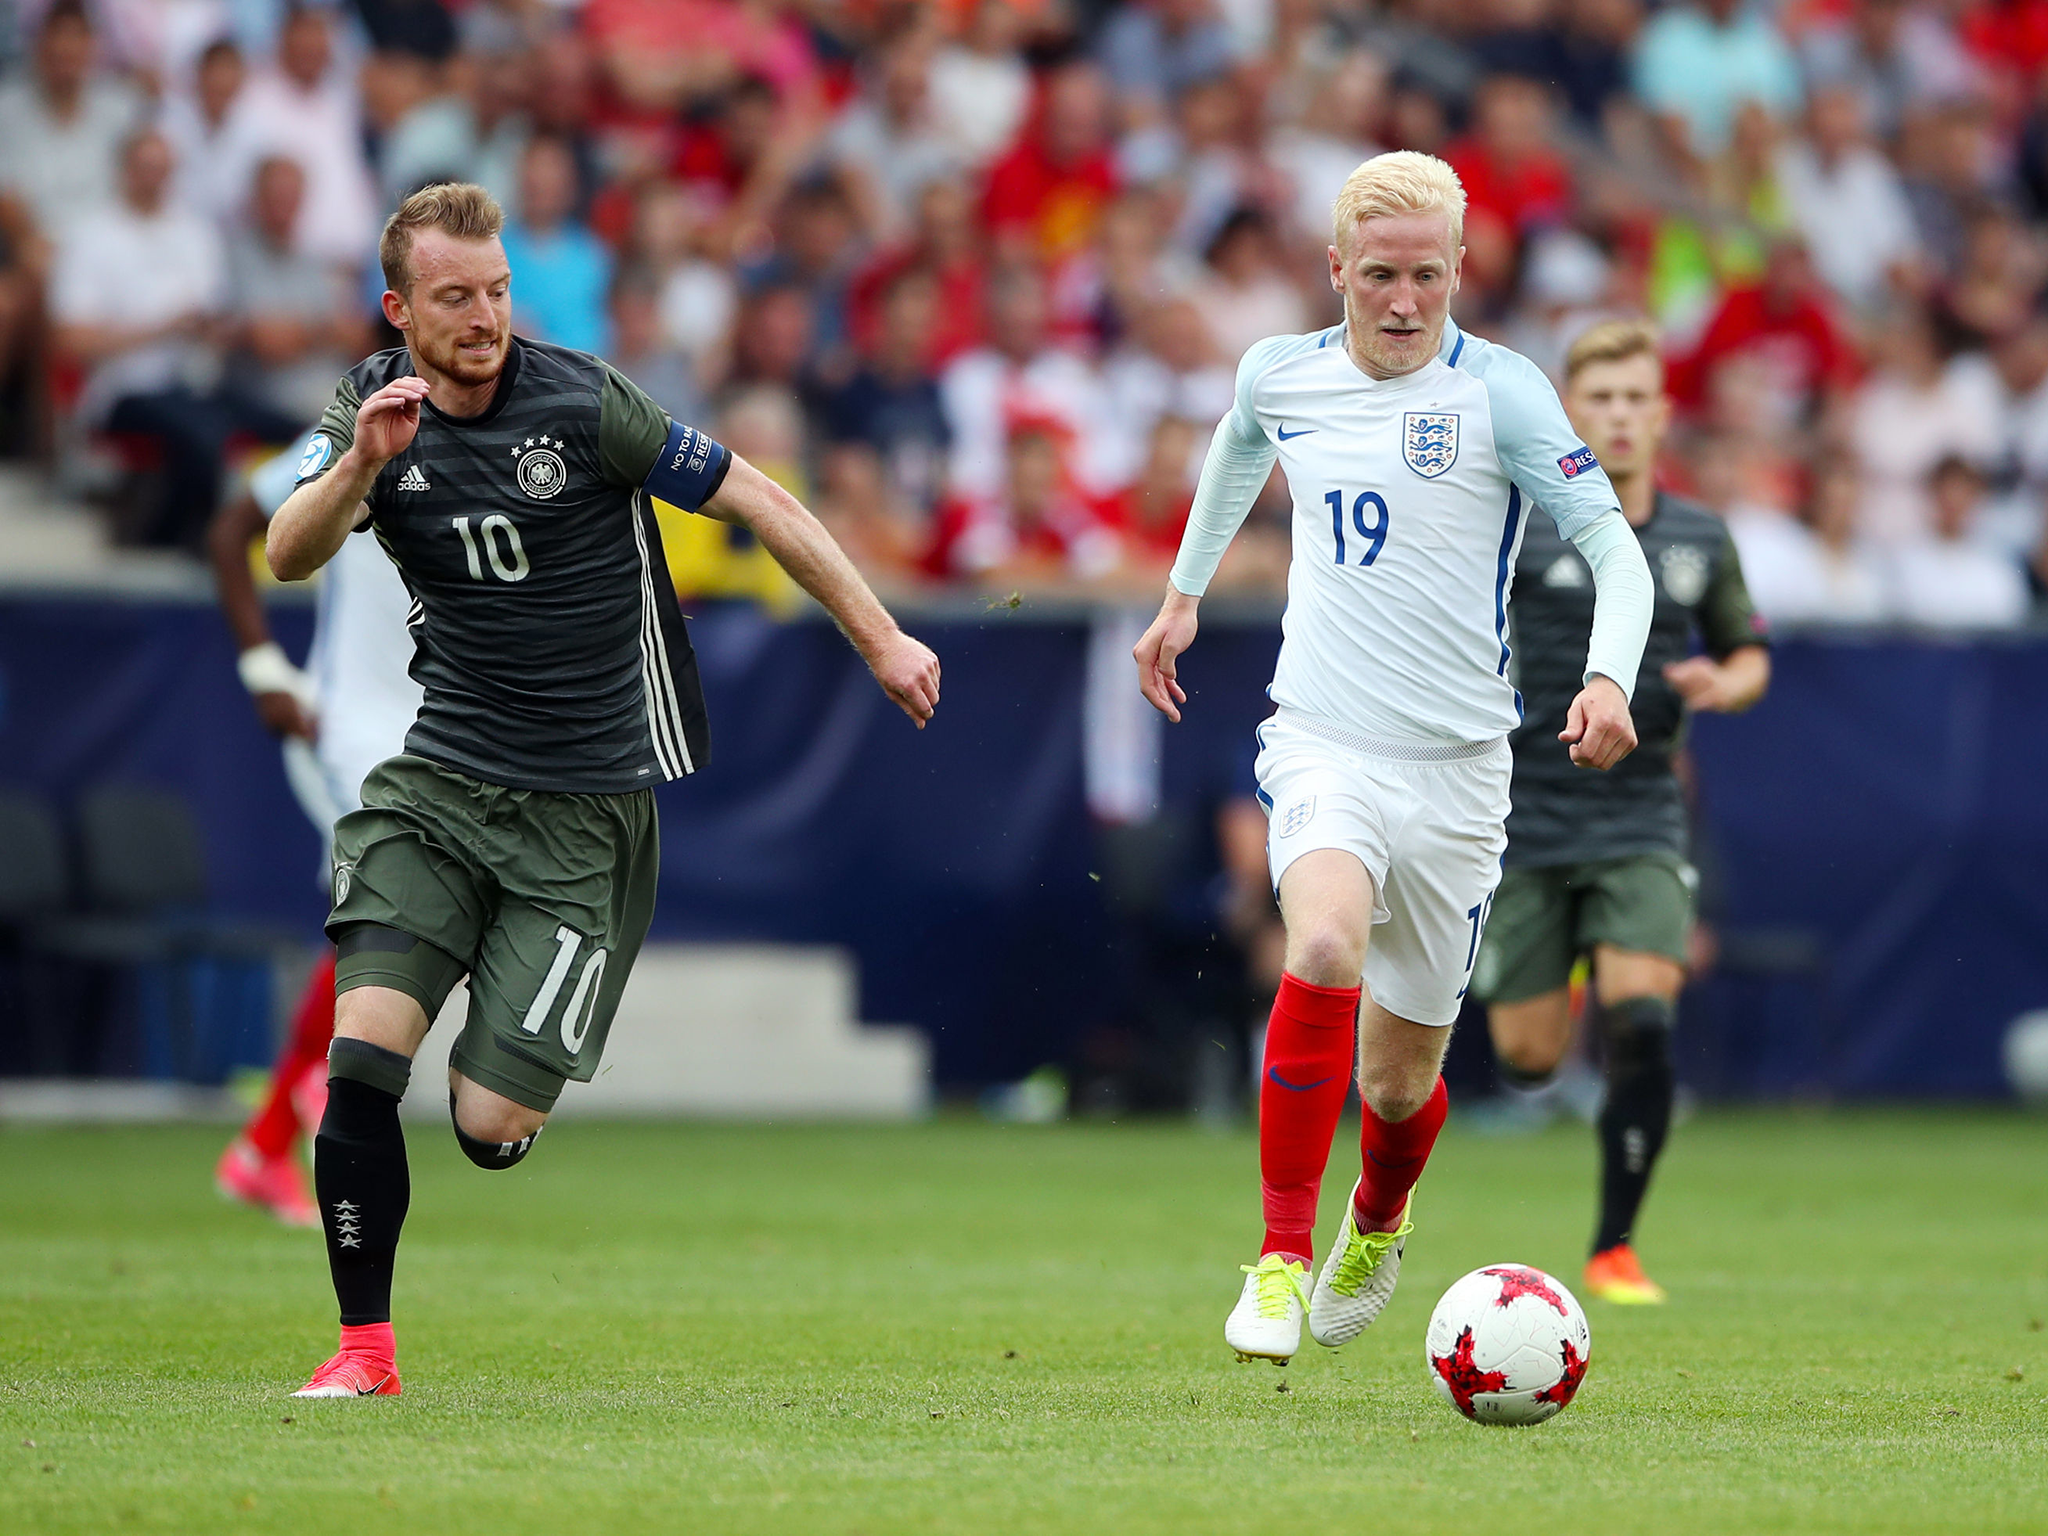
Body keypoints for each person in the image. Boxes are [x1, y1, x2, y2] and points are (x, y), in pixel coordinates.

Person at [267, 183, 940, 1398]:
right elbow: (286, 548)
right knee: (362, 1053)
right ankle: (364, 1350)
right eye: (454, 298)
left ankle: (509, 1073)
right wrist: (361, 463)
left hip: (583, 811)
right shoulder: (372, 406)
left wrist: (882, 640)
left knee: (484, 1126)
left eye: (496, 292)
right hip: (438, 781)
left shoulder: (584, 402)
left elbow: (761, 500)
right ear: (399, 308)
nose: (482, 318)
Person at [1131, 151, 1655, 1365]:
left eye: (1428, 274)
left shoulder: (1505, 394)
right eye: (1379, 275)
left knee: (1400, 1081)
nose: (1405, 300)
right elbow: (1235, 449)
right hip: (1323, 738)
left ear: (1459, 270)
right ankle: (1273, 1260)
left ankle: (1375, 1218)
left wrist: (1608, 675)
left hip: (1462, 771)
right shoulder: (1282, 372)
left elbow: (1612, 550)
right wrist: (1179, 599)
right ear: (1335, 271)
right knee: (1318, 943)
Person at [1473, 319, 1770, 1305]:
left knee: (1641, 1014)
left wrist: (1725, 685)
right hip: (1520, 817)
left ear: (1660, 412)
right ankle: (1554, 969)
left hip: (1639, 812)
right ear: (1571, 411)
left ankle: (1611, 1248)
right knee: (1523, 1059)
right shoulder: (1521, 522)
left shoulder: (1695, 536)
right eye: (1598, 399)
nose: (1619, 416)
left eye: (1635, 398)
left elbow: (1746, 650)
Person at [208, 429, 424, 1226]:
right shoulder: (345, 434)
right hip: (353, 735)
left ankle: (267, 1143)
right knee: (398, 920)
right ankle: (326, 1083)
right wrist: (264, 669)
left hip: (443, 736)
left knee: (404, 928)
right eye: (455, 298)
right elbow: (232, 530)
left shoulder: (510, 436)